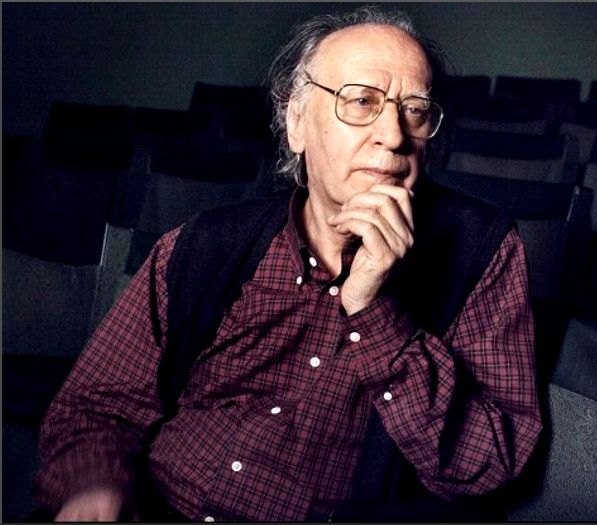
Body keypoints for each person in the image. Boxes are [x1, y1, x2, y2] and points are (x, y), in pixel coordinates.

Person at [34, 6, 542, 522]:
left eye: (415, 110)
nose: (393, 135)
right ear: (296, 122)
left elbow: (491, 464)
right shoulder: (204, 244)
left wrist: (374, 311)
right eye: (362, 101)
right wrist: (93, 486)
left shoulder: (482, 250)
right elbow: (96, 407)